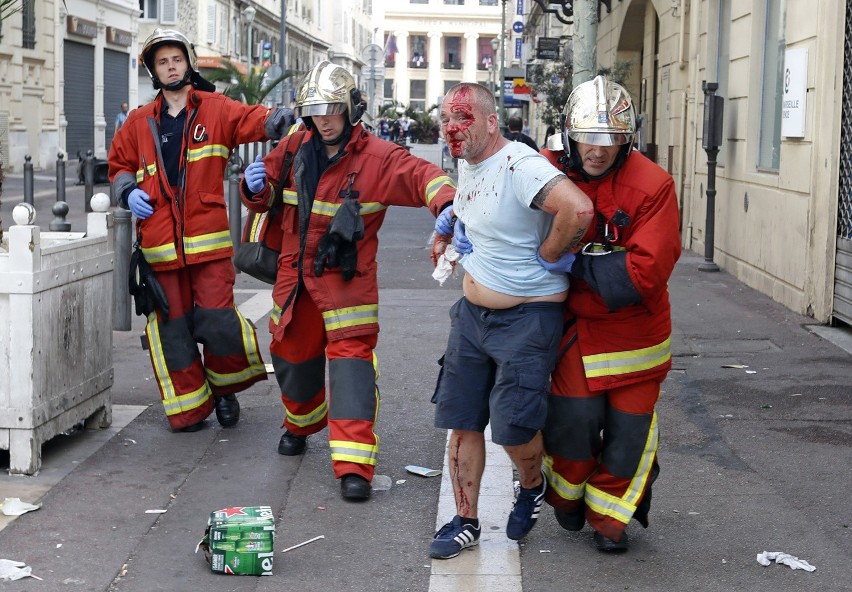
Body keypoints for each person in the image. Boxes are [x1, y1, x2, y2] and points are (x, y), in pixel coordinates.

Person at [238, 60, 457, 501]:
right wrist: (252, 186)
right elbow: (264, 198)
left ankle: (354, 464)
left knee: (351, 365)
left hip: (346, 285)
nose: (324, 118)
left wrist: (448, 204)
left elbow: (422, 176)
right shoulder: (295, 147)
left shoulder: (376, 157)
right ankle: (301, 422)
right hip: (295, 282)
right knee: (290, 356)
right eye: (316, 110)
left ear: (351, 108)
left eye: (332, 109)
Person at [428, 82, 594, 560]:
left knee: (514, 427)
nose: (452, 129)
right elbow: (475, 203)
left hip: (527, 317)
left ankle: (531, 484)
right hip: (471, 317)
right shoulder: (469, 158)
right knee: (461, 419)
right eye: (446, 120)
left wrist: (548, 253)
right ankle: (466, 520)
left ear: (490, 122)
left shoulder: (521, 165)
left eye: (463, 120)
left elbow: (578, 208)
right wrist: (450, 226)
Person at [108, 28, 294, 433]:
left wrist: (279, 118)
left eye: (177, 59)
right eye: (163, 62)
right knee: (172, 329)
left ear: (188, 62)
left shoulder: (216, 108)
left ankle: (224, 392)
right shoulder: (139, 121)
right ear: (154, 71)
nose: (171, 67)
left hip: (208, 247)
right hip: (159, 246)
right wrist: (127, 192)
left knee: (218, 322)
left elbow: (253, 120)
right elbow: (118, 164)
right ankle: (191, 406)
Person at [538, 75, 681, 552]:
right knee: (572, 428)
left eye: (611, 140)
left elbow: (645, 272)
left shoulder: (653, 185)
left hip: (636, 335)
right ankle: (569, 500)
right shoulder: (543, 169)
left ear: (628, 139)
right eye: (588, 138)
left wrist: (574, 263)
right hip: (578, 334)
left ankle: (610, 520)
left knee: (629, 435)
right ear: (569, 133)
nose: (597, 151)